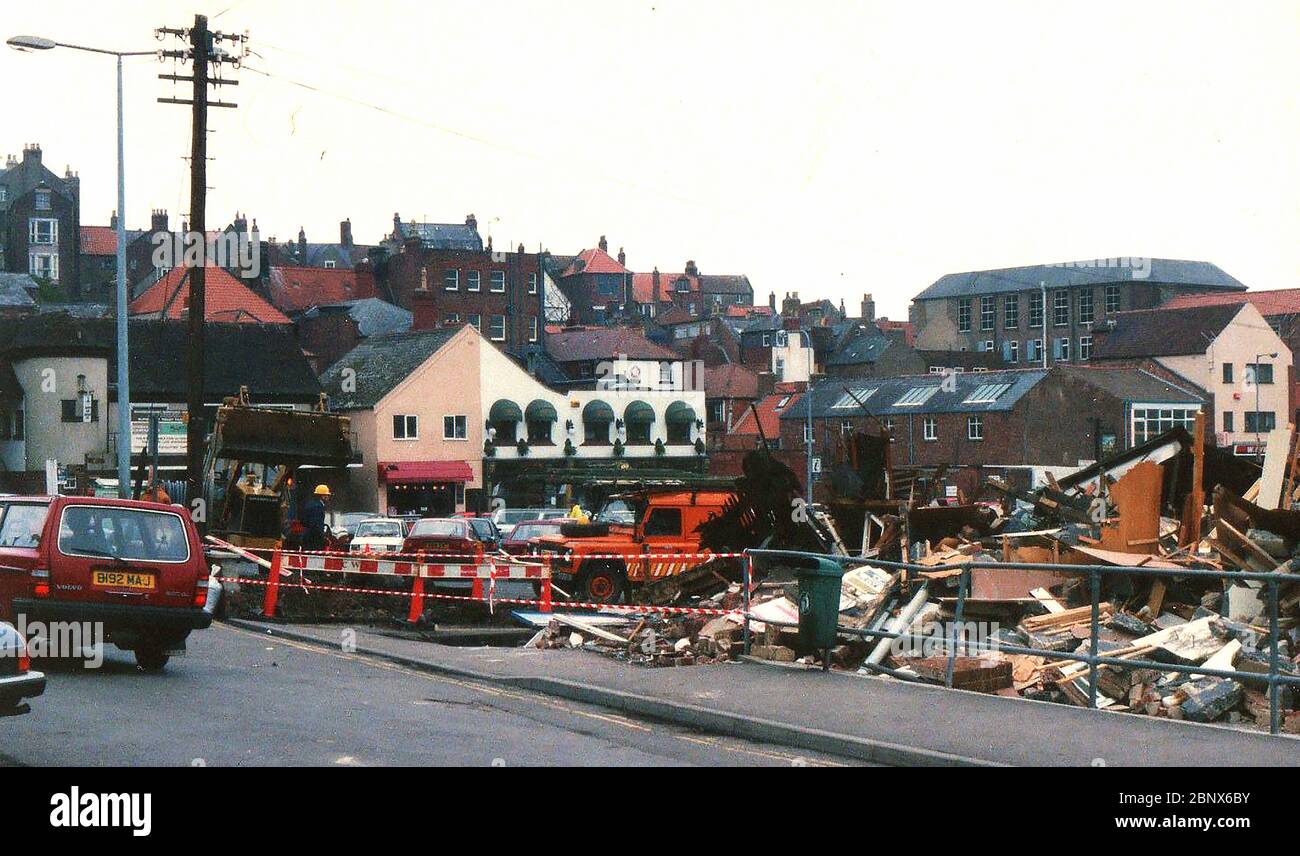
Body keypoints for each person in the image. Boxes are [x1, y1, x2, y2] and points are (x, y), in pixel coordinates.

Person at [301, 484, 330, 550]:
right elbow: (316, 525)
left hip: (307, 537)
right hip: (314, 541)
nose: (328, 497)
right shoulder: (318, 507)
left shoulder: (309, 504)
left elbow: (303, 521)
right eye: (327, 495)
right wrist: (323, 538)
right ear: (322, 496)